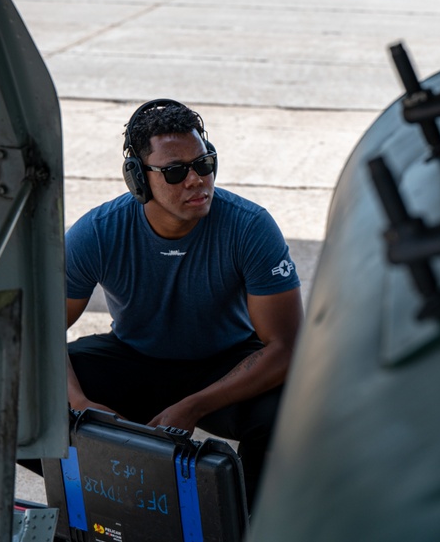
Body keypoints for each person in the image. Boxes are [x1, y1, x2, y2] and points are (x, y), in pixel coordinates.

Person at [65, 98, 303, 508]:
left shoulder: (249, 226)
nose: (196, 180)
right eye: (175, 171)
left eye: (204, 163)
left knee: (293, 408)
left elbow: (285, 346)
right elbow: (37, 333)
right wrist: (83, 407)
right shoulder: (98, 232)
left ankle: (241, 520)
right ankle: (116, 504)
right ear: (138, 180)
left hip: (225, 362)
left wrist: (192, 407)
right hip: (135, 358)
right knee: (26, 396)